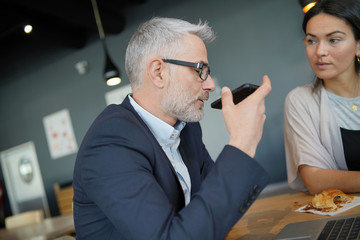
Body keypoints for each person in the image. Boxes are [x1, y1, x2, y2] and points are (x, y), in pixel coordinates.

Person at [73, 17, 272, 239]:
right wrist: (242, 142)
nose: (210, 84)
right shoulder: (109, 145)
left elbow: (214, 209)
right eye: (200, 70)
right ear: (159, 72)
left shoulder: (188, 130)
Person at [284, 0, 360, 195]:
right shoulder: (300, 100)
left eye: (333, 40)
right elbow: (316, 180)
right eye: (312, 40)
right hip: (344, 218)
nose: (319, 52)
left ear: (358, 46)